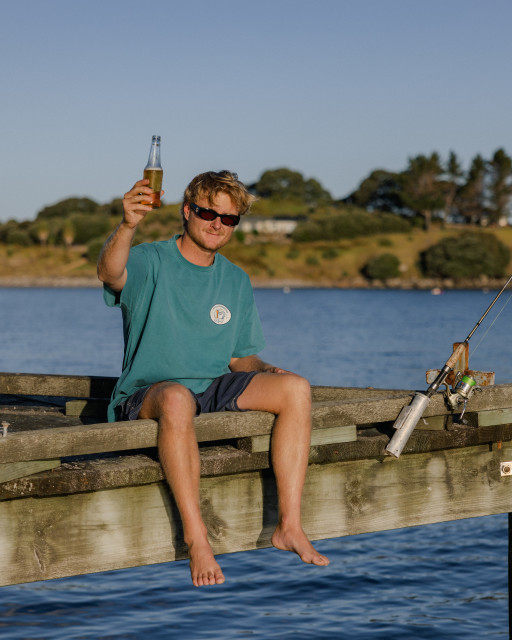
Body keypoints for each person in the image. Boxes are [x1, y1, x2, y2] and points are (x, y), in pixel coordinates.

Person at [97, 170, 329, 587]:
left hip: (212, 387)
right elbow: (109, 274)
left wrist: (265, 370)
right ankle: (197, 538)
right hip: (149, 393)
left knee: (295, 388)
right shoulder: (151, 259)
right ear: (187, 211)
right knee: (177, 398)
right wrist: (128, 225)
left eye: (228, 218)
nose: (217, 224)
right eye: (208, 213)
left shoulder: (236, 279)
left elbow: (239, 357)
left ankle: (289, 526)